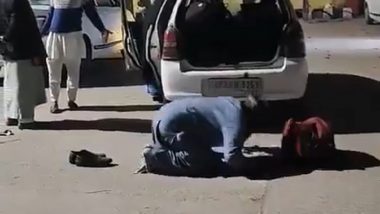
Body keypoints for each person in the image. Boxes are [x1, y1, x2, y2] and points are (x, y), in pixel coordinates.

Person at [136, 96, 259, 176]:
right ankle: (154, 158)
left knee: (211, 156)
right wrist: (252, 165)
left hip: (163, 116)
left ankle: (162, 149)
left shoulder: (231, 103)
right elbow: (232, 157)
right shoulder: (236, 121)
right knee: (202, 165)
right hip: (171, 128)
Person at [41, 0, 112, 113]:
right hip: (54, 36)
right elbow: (51, 14)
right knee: (53, 70)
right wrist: (41, 33)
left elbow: (91, 13)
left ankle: (71, 100)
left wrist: (102, 29)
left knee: (73, 69)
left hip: (73, 36)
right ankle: (54, 101)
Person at [0, 0, 47, 129]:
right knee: (25, 87)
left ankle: (11, 116)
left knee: (10, 85)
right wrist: (37, 52)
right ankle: (26, 120)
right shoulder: (19, 2)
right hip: (24, 50)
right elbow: (20, 25)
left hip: (8, 51)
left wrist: (3, 42)